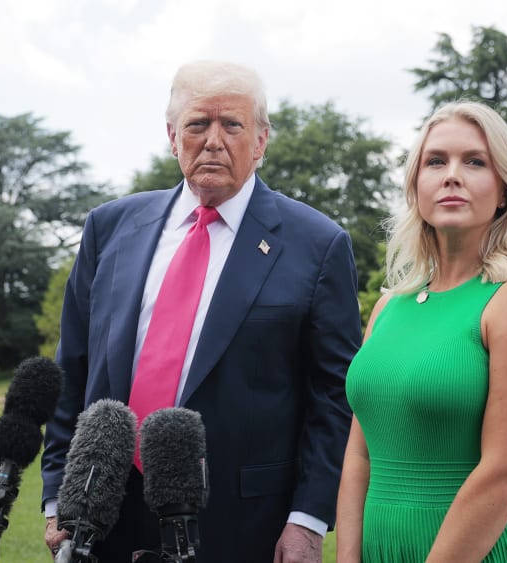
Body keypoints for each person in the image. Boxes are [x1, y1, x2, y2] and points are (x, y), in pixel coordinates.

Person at [41, 60, 361, 562]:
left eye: (232, 125)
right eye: (197, 124)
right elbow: (72, 368)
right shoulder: (109, 229)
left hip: (243, 526)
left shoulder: (318, 244)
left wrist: (307, 520)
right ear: (173, 136)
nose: (214, 140)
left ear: (260, 141)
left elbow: (334, 397)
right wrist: (59, 491)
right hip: (102, 520)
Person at [336, 101, 507, 562]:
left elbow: (503, 472)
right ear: (416, 186)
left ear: (504, 192)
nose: (452, 175)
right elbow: (360, 455)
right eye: (435, 161)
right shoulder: (388, 307)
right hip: (382, 547)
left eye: (475, 162)